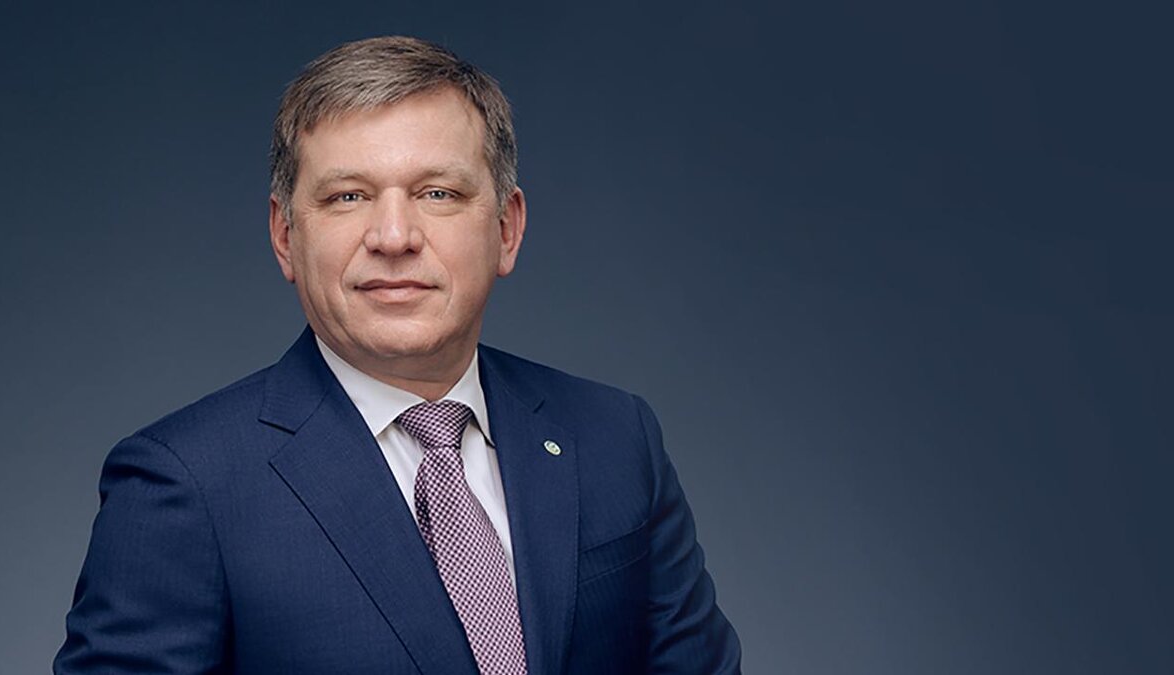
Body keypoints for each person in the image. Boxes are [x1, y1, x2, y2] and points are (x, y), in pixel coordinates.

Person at [55, 36, 742, 674]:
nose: (392, 236)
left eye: (437, 193)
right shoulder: (184, 484)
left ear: (506, 229)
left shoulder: (615, 437)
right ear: (285, 236)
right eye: (347, 196)